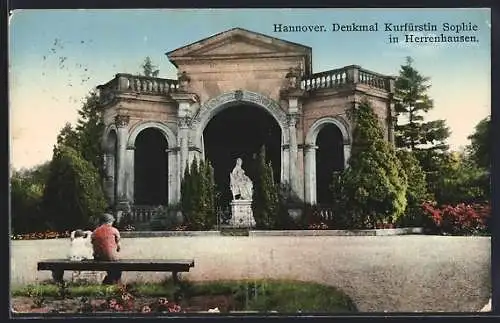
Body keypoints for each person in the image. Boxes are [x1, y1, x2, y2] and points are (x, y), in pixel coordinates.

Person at [91, 213, 122, 284]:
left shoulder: (95, 232)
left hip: (98, 258)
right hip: (111, 258)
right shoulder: (114, 230)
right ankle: (112, 282)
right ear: (109, 222)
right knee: (117, 267)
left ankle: (109, 281)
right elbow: (118, 248)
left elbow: (94, 246)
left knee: (111, 266)